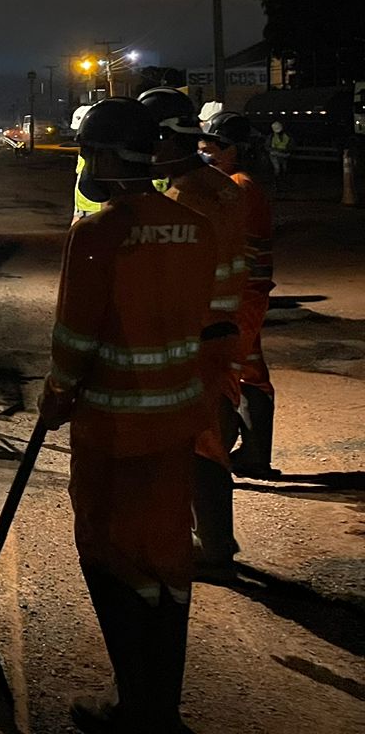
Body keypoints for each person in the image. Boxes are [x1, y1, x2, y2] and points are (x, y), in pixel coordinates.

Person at [39, 98, 217, 732]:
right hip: (175, 429)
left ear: (110, 157)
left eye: (89, 152)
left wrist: (56, 396)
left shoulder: (97, 234)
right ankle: (159, 709)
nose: (86, 162)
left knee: (109, 554)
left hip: (113, 432)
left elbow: (75, 344)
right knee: (167, 558)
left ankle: (136, 710)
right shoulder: (195, 226)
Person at [139, 88, 249, 581]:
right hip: (224, 331)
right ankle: (214, 541)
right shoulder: (223, 186)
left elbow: (173, 279)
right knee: (209, 438)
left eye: (148, 143)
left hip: (195, 335)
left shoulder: (185, 199)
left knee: (193, 443)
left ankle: (207, 548)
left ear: (166, 139)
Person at [202, 111, 279, 479]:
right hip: (250, 295)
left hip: (241, 298)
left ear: (233, 149)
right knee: (250, 371)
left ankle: (213, 463)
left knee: (226, 375)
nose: (205, 152)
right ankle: (254, 456)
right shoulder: (242, 183)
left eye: (213, 146)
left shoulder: (238, 187)